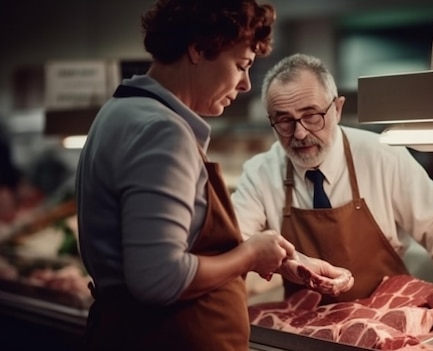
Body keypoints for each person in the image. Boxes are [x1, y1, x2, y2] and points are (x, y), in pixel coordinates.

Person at [75, 2, 351, 350]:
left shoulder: (120, 111)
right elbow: (157, 279)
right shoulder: (162, 131)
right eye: (241, 65)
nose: (247, 84)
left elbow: (179, 249)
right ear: (198, 48)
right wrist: (249, 256)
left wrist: (277, 261)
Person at [231, 53, 433, 305]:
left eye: (312, 115)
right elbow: (233, 242)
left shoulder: (383, 156)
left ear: (337, 109)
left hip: (385, 319)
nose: (300, 132)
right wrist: (277, 261)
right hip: (304, 327)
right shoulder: (261, 172)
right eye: (284, 121)